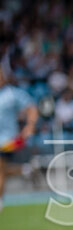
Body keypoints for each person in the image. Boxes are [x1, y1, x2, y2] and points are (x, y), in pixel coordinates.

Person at [0, 68, 38, 212]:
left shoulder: (12, 94)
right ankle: (23, 170)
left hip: (7, 140)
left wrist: (30, 125)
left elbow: (31, 108)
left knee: (0, 169)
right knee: (2, 170)